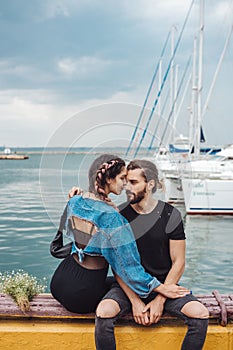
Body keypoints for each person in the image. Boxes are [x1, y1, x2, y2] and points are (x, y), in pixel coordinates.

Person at [50, 154, 189, 314]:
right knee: (123, 286)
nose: (125, 185)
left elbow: (74, 229)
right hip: (84, 292)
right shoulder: (113, 218)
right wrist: (162, 289)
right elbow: (129, 268)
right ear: (109, 179)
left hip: (60, 279)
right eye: (123, 178)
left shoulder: (75, 200)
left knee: (115, 284)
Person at [94, 159, 209, 350]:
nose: (127, 187)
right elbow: (117, 265)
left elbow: (178, 262)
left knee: (200, 313)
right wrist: (135, 302)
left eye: (134, 182)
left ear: (151, 184)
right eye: (126, 181)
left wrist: (160, 300)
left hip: (166, 285)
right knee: (104, 312)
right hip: (128, 287)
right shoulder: (118, 215)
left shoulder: (170, 214)